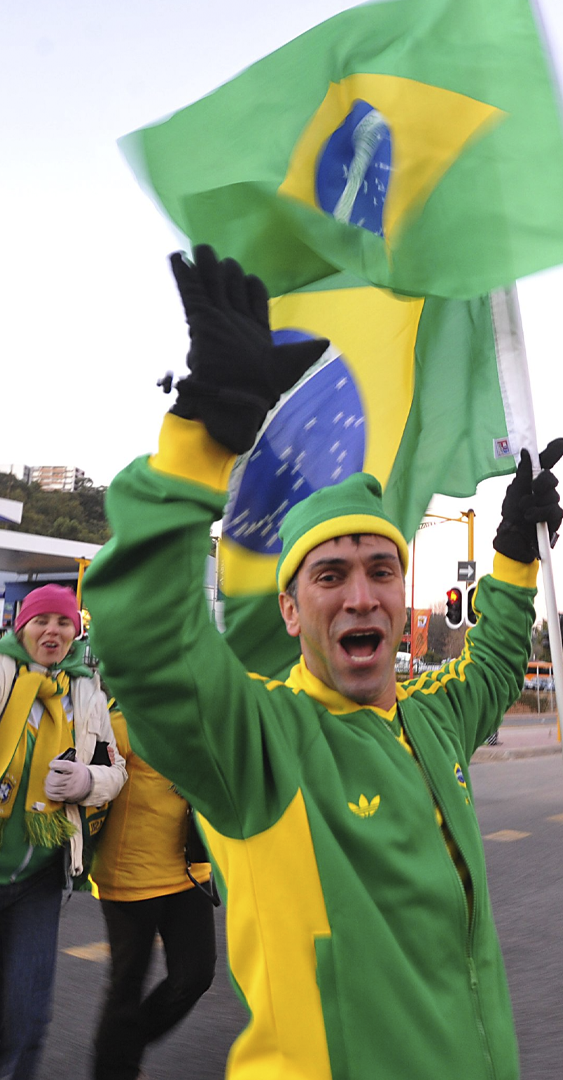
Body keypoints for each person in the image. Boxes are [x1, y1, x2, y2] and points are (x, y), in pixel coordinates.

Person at [84, 246, 563, 1080]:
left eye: (380, 570)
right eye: (328, 576)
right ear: (289, 608)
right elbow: (145, 641)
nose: (360, 597)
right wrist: (204, 435)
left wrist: (515, 555)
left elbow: (488, 671)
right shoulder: (264, 743)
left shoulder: (429, 718)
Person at [0, 584, 127, 1080]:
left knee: (29, 1014)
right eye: (41, 621)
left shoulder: (87, 694)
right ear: (20, 626)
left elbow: (114, 769)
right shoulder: (4, 675)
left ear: (76, 632)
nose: (52, 631)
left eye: (63, 623)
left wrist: (88, 781)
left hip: (41, 877)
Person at [91, 703, 217, 1080]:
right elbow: (96, 786)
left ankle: (121, 1047)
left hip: (189, 871)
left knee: (195, 975)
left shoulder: (203, 718)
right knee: (126, 987)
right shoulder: (121, 722)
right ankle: (114, 1069)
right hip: (131, 876)